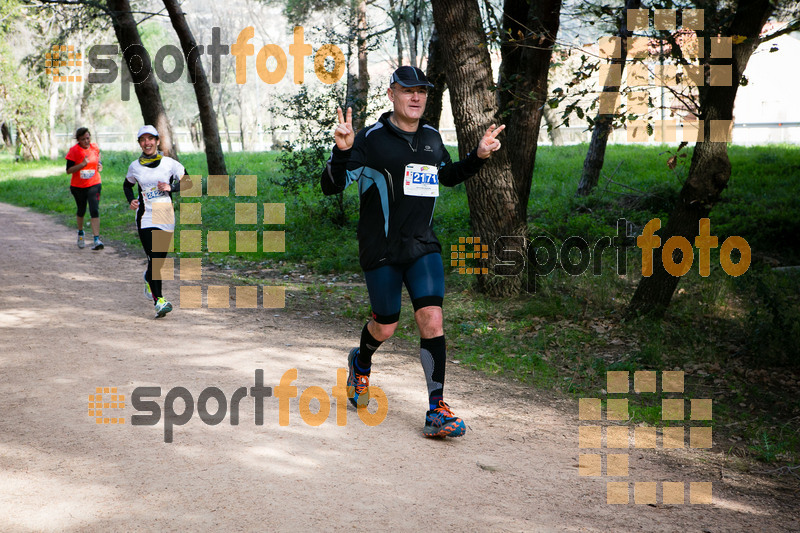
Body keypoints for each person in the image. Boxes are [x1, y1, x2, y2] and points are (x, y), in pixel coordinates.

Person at [320, 65, 504, 438]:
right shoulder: (370, 139)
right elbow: (330, 186)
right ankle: (362, 362)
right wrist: (341, 153)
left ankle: (437, 409)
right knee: (385, 325)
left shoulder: (433, 137)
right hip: (381, 248)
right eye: (408, 90)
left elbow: (446, 175)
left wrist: (478, 156)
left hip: (422, 246)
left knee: (432, 319)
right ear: (392, 94)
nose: (416, 97)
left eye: (422, 90)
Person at [123, 125, 190, 318]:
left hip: (165, 215)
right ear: (139, 143)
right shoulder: (135, 167)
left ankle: (148, 278)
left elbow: (189, 182)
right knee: (154, 257)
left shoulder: (170, 164)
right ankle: (159, 300)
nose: (147, 143)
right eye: (143, 140)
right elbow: (127, 185)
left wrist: (171, 187)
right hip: (145, 216)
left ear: (157, 141)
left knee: (159, 260)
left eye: (150, 139)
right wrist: (131, 200)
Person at [65, 127, 104, 250]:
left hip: (94, 183)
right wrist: (82, 165)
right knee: (81, 210)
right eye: (83, 139)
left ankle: (96, 239)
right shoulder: (74, 151)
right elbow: (68, 171)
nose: (86, 141)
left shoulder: (94, 147)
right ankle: (81, 232)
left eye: (88, 138)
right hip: (78, 187)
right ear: (78, 140)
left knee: (94, 209)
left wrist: (99, 165)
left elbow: (98, 159)